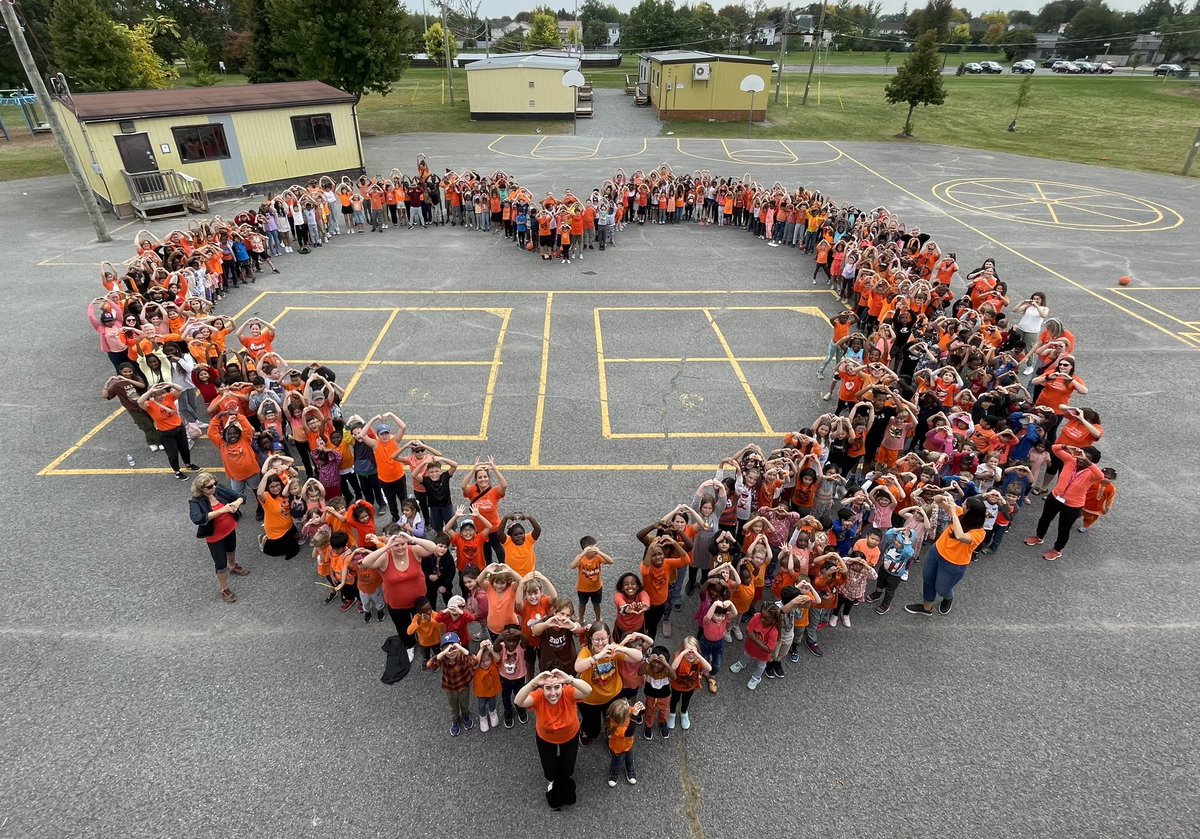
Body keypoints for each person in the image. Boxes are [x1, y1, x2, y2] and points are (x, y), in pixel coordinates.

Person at [515, 668, 593, 811]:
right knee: (550, 773)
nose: (552, 693)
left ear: (563, 686)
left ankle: (564, 773)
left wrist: (569, 679)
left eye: (557, 687)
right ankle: (553, 779)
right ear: (542, 688)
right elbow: (519, 701)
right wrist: (533, 683)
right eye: (548, 688)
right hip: (545, 738)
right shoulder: (538, 696)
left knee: (568, 769)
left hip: (570, 735)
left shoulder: (568, 692)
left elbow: (587, 690)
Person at [358, 532, 440, 657]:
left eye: (403, 544)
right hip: (396, 603)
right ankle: (410, 645)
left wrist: (412, 539)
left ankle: (427, 641)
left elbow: (432, 547)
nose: (400, 548)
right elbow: (367, 562)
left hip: (419, 601)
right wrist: (386, 547)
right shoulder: (386, 556)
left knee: (424, 622)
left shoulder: (414, 551)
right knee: (403, 627)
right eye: (396, 545)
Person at [906, 495, 989, 616]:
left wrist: (954, 512)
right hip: (937, 551)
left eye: (965, 504)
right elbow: (937, 500)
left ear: (970, 511)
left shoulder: (979, 533)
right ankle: (926, 608)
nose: (962, 505)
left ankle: (948, 597)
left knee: (942, 588)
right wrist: (943, 495)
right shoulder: (960, 511)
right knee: (928, 579)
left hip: (954, 563)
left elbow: (960, 536)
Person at [1024, 445, 1104, 561]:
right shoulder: (1070, 460)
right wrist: (1068, 447)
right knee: (1045, 518)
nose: (1081, 459)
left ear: (1092, 461)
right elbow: (1055, 449)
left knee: (1063, 528)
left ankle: (1057, 550)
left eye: (1086, 458)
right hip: (1055, 496)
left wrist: (1087, 462)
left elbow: (1100, 476)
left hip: (1073, 505)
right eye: (1081, 455)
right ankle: (1039, 536)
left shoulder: (1092, 473)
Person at [574, 621, 644, 745]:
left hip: (612, 695)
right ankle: (586, 731)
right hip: (590, 700)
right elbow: (578, 667)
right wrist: (597, 657)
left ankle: (608, 730)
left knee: (612, 721)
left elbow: (638, 657)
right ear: (591, 639)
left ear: (608, 638)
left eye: (603, 639)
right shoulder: (587, 651)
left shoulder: (613, 649)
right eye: (596, 639)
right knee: (593, 729)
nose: (600, 643)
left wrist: (623, 649)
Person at [188, 473, 248, 603]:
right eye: (210, 486)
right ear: (201, 489)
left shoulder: (218, 490)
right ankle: (224, 588)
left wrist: (238, 502)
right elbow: (197, 518)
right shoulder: (196, 502)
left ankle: (232, 566)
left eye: (214, 483)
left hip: (230, 528)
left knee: (231, 549)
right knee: (220, 564)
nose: (214, 487)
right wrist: (222, 510)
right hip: (215, 537)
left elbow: (240, 495)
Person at [137, 382, 199, 480]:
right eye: (157, 395)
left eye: (162, 393)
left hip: (179, 428)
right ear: (152, 396)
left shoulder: (169, 397)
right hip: (166, 433)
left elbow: (180, 389)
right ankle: (177, 471)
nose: (161, 396)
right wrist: (151, 390)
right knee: (172, 454)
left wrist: (170, 384)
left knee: (185, 449)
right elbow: (139, 402)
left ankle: (188, 464)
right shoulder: (149, 405)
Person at [426, 634, 475, 737]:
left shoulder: (462, 656)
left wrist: (461, 649)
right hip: (449, 689)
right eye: (447, 648)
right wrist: (443, 653)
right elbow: (429, 665)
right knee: (453, 708)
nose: (451, 651)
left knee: (465, 704)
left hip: (463, 687)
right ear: (442, 650)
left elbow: (475, 661)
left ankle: (466, 715)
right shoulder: (443, 659)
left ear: (459, 646)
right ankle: (455, 719)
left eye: (454, 648)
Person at [605, 698, 644, 787]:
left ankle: (629, 769)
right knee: (617, 762)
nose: (629, 707)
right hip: (618, 749)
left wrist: (640, 709)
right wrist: (634, 716)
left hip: (628, 745)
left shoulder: (623, 712)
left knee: (629, 759)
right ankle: (613, 774)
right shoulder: (617, 728)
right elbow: (629, 733)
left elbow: (638, 712)